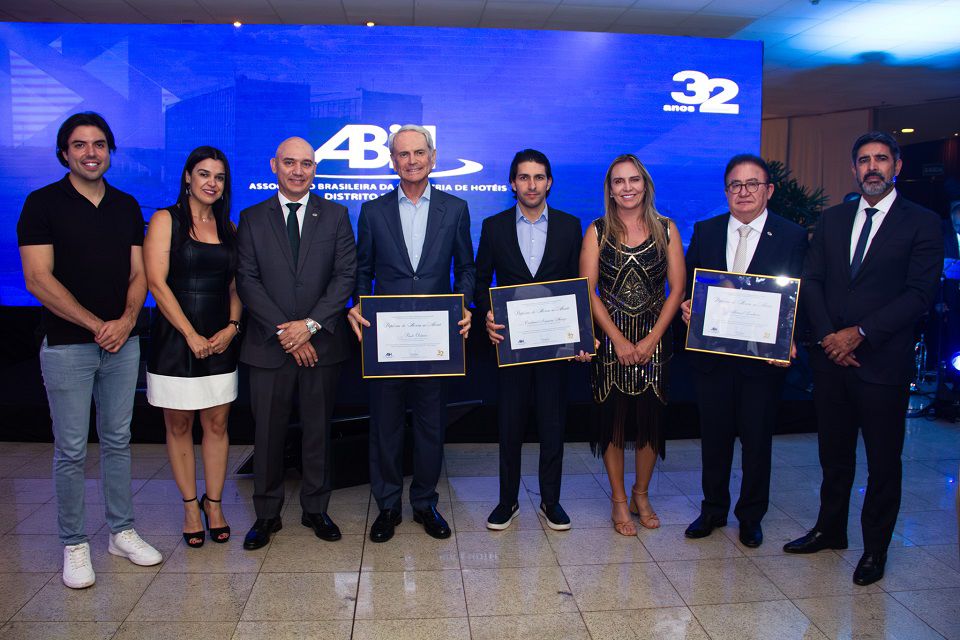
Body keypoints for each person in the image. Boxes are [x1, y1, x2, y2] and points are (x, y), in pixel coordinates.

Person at [784, 132, 942, 586]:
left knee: (882, 462)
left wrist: (860, 334)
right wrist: (830, 337)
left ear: (897, 166)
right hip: (831, 360)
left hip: (882, 362)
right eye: (864, 160)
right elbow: (812, 280)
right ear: (854, 168)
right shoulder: (832, 220)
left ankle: (875, 549)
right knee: (833, 455)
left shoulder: (923, 223)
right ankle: (830, 530)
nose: (872, 167)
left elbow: (919, 295)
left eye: (881, 159)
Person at [17, 112, 162, 589]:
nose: (91, 153)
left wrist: (125, 322)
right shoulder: (41, 204)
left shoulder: (125, 205)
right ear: (64, 153)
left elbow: (139, 273)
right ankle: (75, 543)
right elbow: (38, 278)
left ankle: (121, 532)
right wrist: (97, 325)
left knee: (118, 441)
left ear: (110, 151)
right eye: (80, 145)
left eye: (99, 144)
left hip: (123, 342)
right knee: (72, 448)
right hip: (67, 346)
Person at [348, 125, 475, 543]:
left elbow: (466, 267)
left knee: (430, 425)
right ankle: (387, 506)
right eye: (403, 154)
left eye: (419, 153)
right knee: (385, 425)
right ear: (393, 161)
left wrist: (465, 306)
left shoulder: (456, 209)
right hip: (387, 338)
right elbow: (363, 270)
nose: (412, 160)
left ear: (433, 158)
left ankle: (424, 502)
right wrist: (357, 307)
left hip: (437, 339)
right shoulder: (373, 211)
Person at [679, 154, 807, 548]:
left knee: (757, 441)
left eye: (753, 184)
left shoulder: (791, 236)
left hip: (762, 361)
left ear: (769, 190)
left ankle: (751, 516)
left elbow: (801, 294)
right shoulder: (706, 231)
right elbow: (692, 284)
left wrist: (791, 336)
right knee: (714, 439)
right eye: (736, 185)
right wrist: (688, 306)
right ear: (726, 192)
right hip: (713, 358)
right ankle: (713, 509)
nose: (744, 192)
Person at [236, 137, 357, 550]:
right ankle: (266, 514)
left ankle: (315, 508)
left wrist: (309, 326)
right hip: (268, 347)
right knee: (268, 434)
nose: (298, 171)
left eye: (306, 164)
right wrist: (286, 332)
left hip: (321, 345)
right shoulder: (251, 218)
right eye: (290, 162)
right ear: (274, 165)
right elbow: (247, 280)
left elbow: (345, 276)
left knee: (317, 431)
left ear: (315, 170)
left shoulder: (336, 215)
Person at [475, 149, 588, 531]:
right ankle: (507, 501)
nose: (532, 184)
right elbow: (480, 281)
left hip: (555, 345)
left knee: (553, 425)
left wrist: (581, 335)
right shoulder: (494, 227)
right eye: (524, 177)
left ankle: (550, 501)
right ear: (513, 183)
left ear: (549, 182)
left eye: (539, 177)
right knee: (510, 425)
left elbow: (579, 285)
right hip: (511, 344)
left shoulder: (570, 226)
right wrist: (486, 314)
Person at [579, 154, 684, 536]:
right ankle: (619, 500)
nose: (627, 188)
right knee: (614, 423)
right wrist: (619, 340)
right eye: (619, 181)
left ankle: (641, 493)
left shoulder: (667, 229)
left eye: (634, 179)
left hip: (656, 340)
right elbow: (587, 291)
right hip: (611, 342)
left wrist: (652, 339)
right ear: (609, 190)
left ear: (645, 184)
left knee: (650, 423)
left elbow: (677, 289)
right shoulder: (597, 231)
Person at [144, 146, 241, 548]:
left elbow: (236, 286)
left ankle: (213, 504)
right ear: (187, 176)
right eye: (203, 174)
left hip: (220, 340)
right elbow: (156, 283)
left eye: (219, 177)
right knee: (179, 425)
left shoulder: (229, 226)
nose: (211, 183)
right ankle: (189, 507)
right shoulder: (165, 219)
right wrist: (190, 334)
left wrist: (232, 327)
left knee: (217, 425)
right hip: (175, 340)